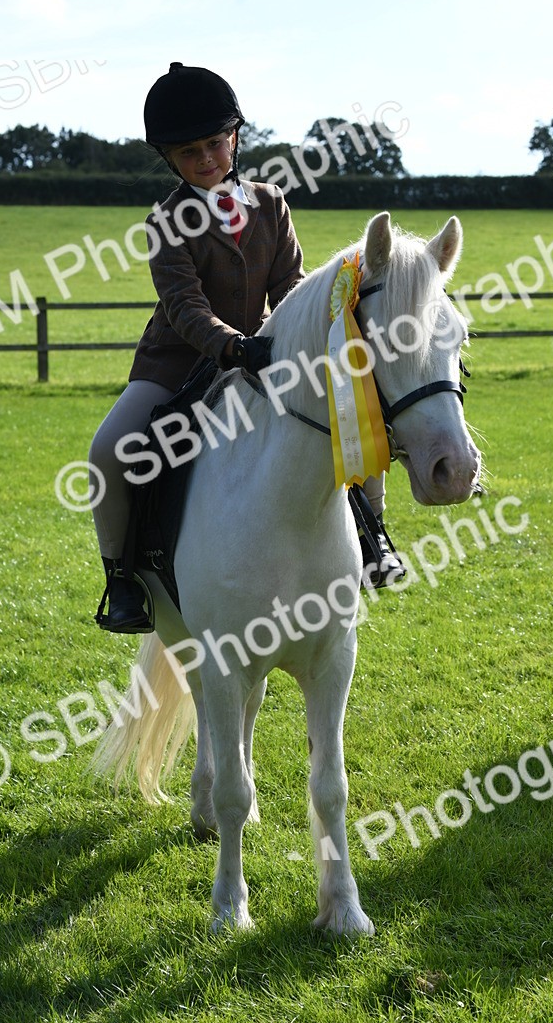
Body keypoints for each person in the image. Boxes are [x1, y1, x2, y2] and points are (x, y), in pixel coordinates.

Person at [90, 62, 402, 632]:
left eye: (215, 143)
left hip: (267, 353)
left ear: (235, 136)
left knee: (355, 409)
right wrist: (233, 348)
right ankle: (123, 578)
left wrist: (299, 333)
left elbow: (291, 285)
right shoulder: (164, 222)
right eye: (189, 153)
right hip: (179, 361)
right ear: (170, 160)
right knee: (108, 452)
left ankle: (372, 535)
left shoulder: (271, 203)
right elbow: (184, 307)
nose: (206, 159)